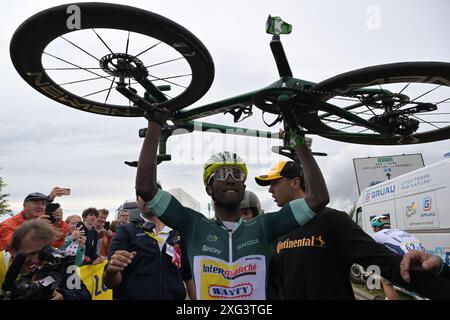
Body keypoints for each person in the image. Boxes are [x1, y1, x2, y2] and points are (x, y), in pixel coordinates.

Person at [135, 108, 329, 300]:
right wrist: (155, 124)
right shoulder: (193, 224)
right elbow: (146, 189)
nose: (229, 179)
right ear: (209, 189)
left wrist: (299, 143)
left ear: (243, 187)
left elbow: (318, 198)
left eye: (236, 174)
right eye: (220, 174)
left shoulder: (264, 226)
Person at [258, 160, 450, 300]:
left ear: (295, 182)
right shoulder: (279, 230)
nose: (270, 191)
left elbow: (386, 263)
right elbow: (274, 284)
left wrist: (441, 281)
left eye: (275, 182)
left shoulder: (332, 220)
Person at [103, 192, 194, 300]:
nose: (148, 197)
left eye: (153, 193)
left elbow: (188, 276)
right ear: (137, 200)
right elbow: (110, 282)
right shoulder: (126, 230)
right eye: (143, 194)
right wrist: (111, 271)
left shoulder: (177, 233)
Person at [0, 220, 91, 300]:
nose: (36, 260)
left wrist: (62, 296)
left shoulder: (56, 262)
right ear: (12, 250)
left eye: (41, 253)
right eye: (30, 254)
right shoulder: (2, 262)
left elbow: (84, 295)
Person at [369, 214, 427, 299]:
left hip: (410, 264)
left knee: (386, 281)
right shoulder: (399, 231)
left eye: (374, 227)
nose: (374, 230)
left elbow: (370, 250)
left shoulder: (378, 235)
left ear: (378, 228)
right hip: (425, 260)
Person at [0, 187, 69, 250]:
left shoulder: (45, 221)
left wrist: (58, 224)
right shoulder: (8, 224)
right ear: (24, 205)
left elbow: (57, 244)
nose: (40, 206)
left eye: (43, 204)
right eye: (36, 203)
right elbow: (13, 246)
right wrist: (35, 227)